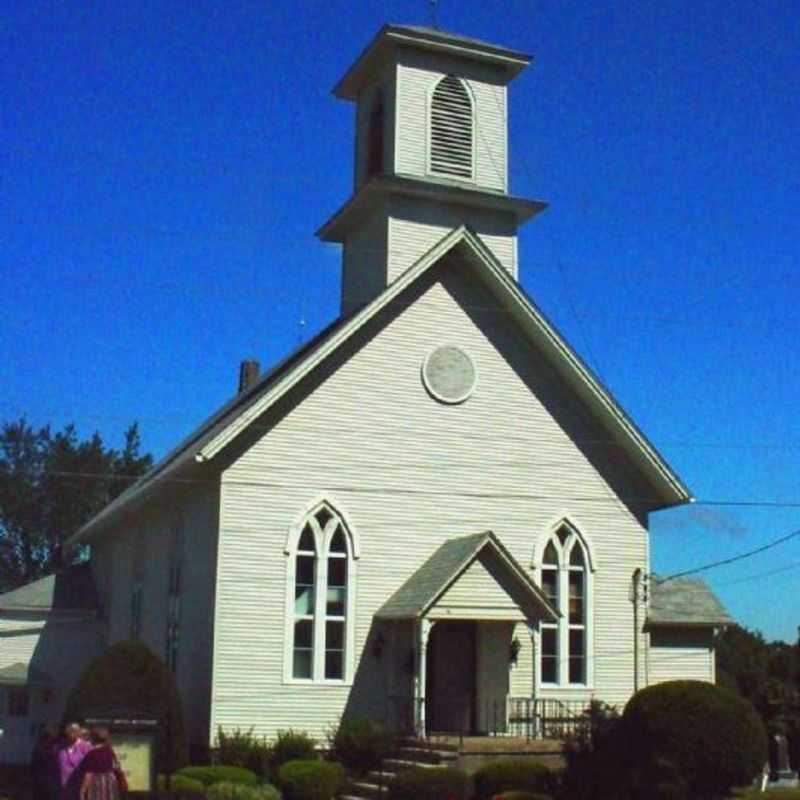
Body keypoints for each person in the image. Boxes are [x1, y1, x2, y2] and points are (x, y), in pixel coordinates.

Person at [79, 728, 122, 800]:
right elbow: (117, 766)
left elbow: (88, 773)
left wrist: (83, 789)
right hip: (110, 782)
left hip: (97, 783)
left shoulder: (91, 753)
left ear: (93, 739)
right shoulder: (109, 750)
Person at [58, 723, 92, 800]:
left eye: (74, 731)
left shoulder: (85, 747)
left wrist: (84, 789)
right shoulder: (61, 746)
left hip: (80, 786)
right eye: (69, 732)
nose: (71, 734)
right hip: (63, 788)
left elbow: (90, 769)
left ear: (78, 733)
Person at [31, 724, 61, 800]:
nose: (57, 732)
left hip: (44, 777)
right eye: (55, 730)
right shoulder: (46, 744)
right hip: (45, 778)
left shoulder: (46, 743)